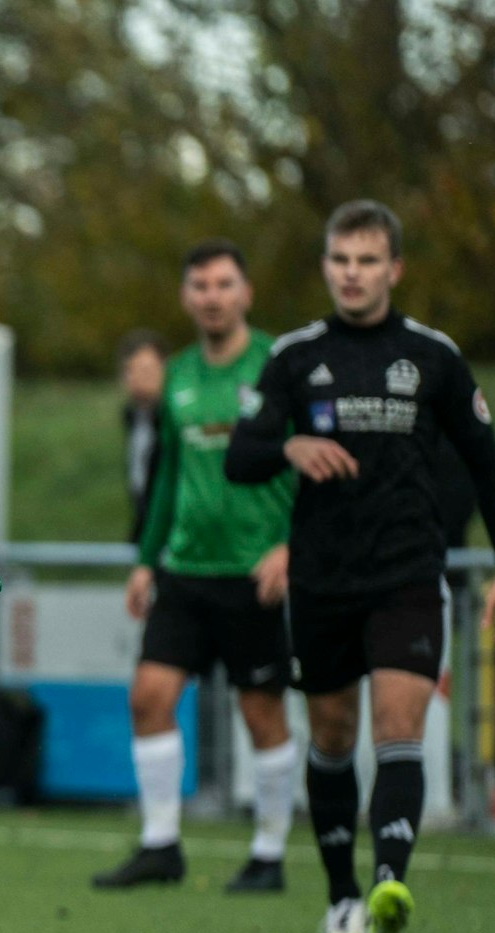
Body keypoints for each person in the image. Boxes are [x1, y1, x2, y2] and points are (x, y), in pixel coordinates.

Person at [226, 199, 495, 933]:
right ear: (326, 266)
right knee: (332, 734)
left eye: (367, 260)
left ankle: (390, 880)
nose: (352, 274)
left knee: (398, 726)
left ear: (395, 269)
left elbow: (489, 470)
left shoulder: (433, 356)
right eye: (340, 260)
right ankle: (342, 898)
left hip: (407, 573)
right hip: (322, 580)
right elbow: (240, 457)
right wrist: (289, 447)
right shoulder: (296, 355)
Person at [93, 240, 299, 893]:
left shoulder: (279, 365)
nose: (213, 297)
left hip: (254, 573)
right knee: (149, 697)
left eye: (224, 284)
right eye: (201, 286)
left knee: (261, 713)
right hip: (184, 570)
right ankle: (161, 844)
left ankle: (269, 852)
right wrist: (145, 561)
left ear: (246, 293)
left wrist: (291, 545)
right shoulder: (177, 374)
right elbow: (167, 479)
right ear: (187, 297)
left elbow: (311, 462)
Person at [119, 330, 168, 542]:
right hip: (145, 527)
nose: (136, 378)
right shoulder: (132, 417)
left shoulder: (171, 421)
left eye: (146, 370)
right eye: (129, 371)